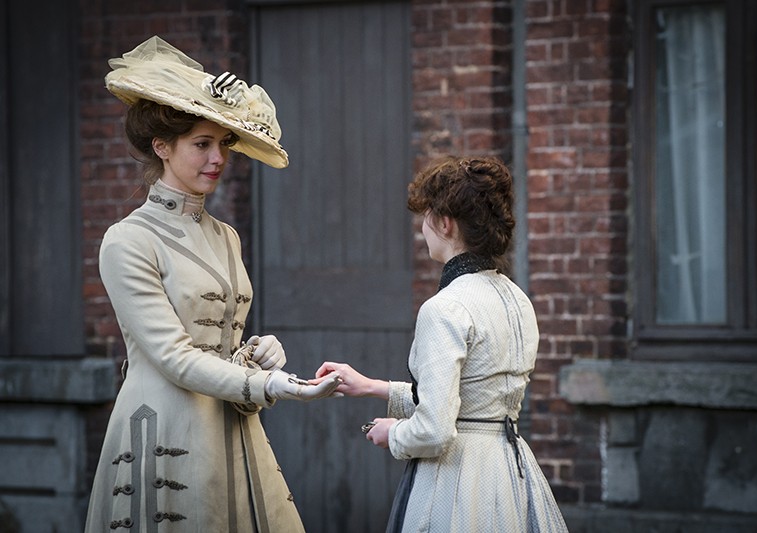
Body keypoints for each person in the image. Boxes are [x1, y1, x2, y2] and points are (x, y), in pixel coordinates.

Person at [85, 36, 340, 532]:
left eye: (223, 144)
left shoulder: (226, 236)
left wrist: (257, 351)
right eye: (201, 144)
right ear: (162, 146)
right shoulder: (127, 240)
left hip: (233, 422)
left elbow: (221, 338)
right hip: (166, 427)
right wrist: (270, 384)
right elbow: (175, 356)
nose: (217, 157)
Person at [315, 156, 569, 532]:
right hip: (510, 472)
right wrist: (371, 386)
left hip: (458, 481)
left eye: (427, 216)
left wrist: (393, 433)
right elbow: (470, 398)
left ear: (445, 223)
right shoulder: (517, 299)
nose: (423, 228)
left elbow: (435, 430)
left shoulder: (445, 307)